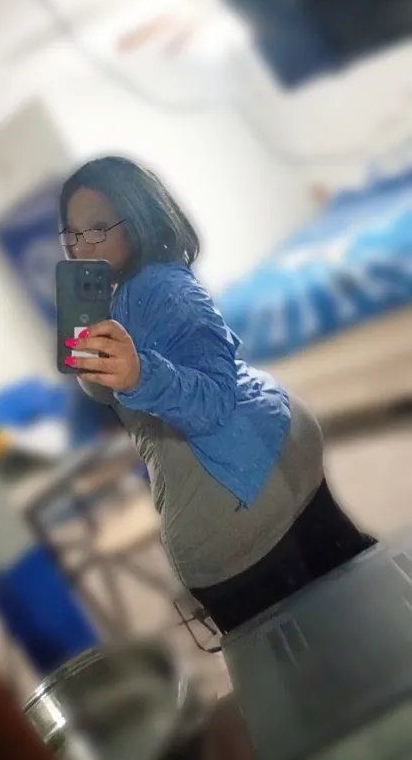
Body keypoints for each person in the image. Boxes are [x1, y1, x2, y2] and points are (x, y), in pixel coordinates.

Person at [58, 156, 375, 635]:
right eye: (73, 235)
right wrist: (98, 359)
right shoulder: (130, 294)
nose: (84, 247)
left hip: (237, 502)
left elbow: (213, 401)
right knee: (362, 610)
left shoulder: (163, 289)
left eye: (99, 228)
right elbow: (111, 389)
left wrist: (141, 375)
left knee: (307, 656)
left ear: (138, 216)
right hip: (270, 445)